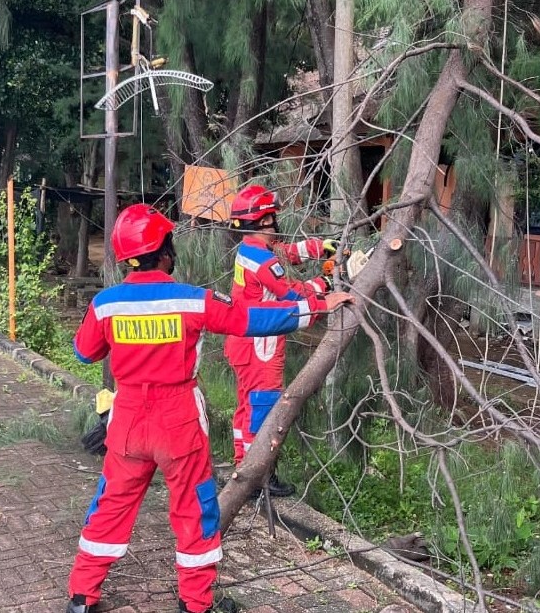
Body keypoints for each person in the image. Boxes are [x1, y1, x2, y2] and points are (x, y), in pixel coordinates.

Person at [66, 203, 353, 613]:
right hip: (178, 420)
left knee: (110, 505)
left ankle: (81, 597)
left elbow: (83, 352)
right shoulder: (192, 300)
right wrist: (320, 304)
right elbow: (251, 319)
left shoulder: (106, 304)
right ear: (164, 251)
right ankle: (195, 603)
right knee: (193, 510)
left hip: (127, 419)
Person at [224, 184, 340, 497]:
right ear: (263, 221)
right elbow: (291, 296)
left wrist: (319, 248)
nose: (277, 222)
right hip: (259, 346)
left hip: (244, 342)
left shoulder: (252, 249)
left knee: (246, 409)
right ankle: (256, 477)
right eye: (273, 217)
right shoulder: (262, 261)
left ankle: (241, 466)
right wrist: (326, 283)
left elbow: (285, 254)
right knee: (262, 410)